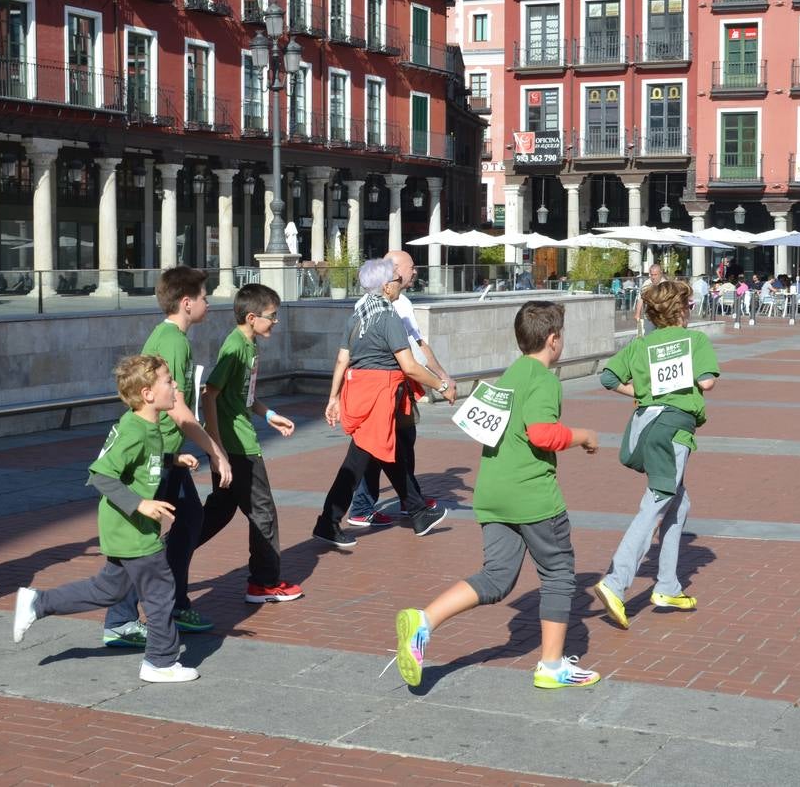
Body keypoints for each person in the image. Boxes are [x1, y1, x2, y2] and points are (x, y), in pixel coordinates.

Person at [394, 301, 601, 691]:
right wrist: (584, 436)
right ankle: (552, 665)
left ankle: (424, 621)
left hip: (492, 492)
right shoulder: (544, 380)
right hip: (532, 496)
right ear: (553, 340)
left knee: (496, 577)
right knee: (558, 573)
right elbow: (542, 433)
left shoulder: (509, 375)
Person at [12, 354, 201, 684]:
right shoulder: (135, 431)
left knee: (107, 590)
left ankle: (38, 602)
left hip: (124, 527)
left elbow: (142, 461)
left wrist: (172, 459)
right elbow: (101, 475)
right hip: (132, 528)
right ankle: (160, 661)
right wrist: (140, 504)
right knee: (159, 591)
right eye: (168, 381)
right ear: (147, 393)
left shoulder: (145, 424)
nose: (175, 386)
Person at [102, 267, 233, 646]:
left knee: (189, 520)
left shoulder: (173, 337)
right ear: (186, 302)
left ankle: (171, 601)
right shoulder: (173, 341)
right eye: (205, 296)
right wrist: (216, 450)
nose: (209, 302)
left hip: (167, 452)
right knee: (142, 536)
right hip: (156, 453)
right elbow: (177, 409)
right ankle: (122, 620)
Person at [592, 279, 719, 630]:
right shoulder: (695, 340)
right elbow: (707, 382)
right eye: (690, 306)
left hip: (646, 427)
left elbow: (608, 378)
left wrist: (640, 390)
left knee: (679, 502)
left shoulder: (641, 344)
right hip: (674, 431)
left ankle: (666, 585)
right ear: (680, 310)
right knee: (657, 501)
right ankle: (615, 582)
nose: (692, 311)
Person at [313, 258, 453, 548]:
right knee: (359, 460)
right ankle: (327, 521)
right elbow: (409, 366)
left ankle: (417, 513)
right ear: (387, 286)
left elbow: (342, 359)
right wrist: (440, 385)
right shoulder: (388, 317)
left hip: (360, 392)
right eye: (397, 281)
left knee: (388, 453)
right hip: (379, 395)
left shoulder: (357, 317)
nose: (400, 284)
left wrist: (333, 398)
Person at [195, 283, 303, 603]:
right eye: (272, 316)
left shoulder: (251, 345)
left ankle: (163, 558)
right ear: (252, 317)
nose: (276, 322)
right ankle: (264, 583)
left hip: (237, 442)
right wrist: (217, 449)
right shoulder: (234, 348)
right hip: (237, 446)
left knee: (219, 511)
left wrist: (269, 415)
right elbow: (209, 394)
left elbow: (244, 396)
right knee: (263, 512)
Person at [633, 263, 665, 331]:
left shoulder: (666, 284)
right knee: (649, 337)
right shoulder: (647, 284)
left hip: (662, 316)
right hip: (649, 316)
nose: (653, 277)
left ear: (660, 274)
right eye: (651, 275)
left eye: (655, 275)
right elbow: (641, 299)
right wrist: (637, 313)